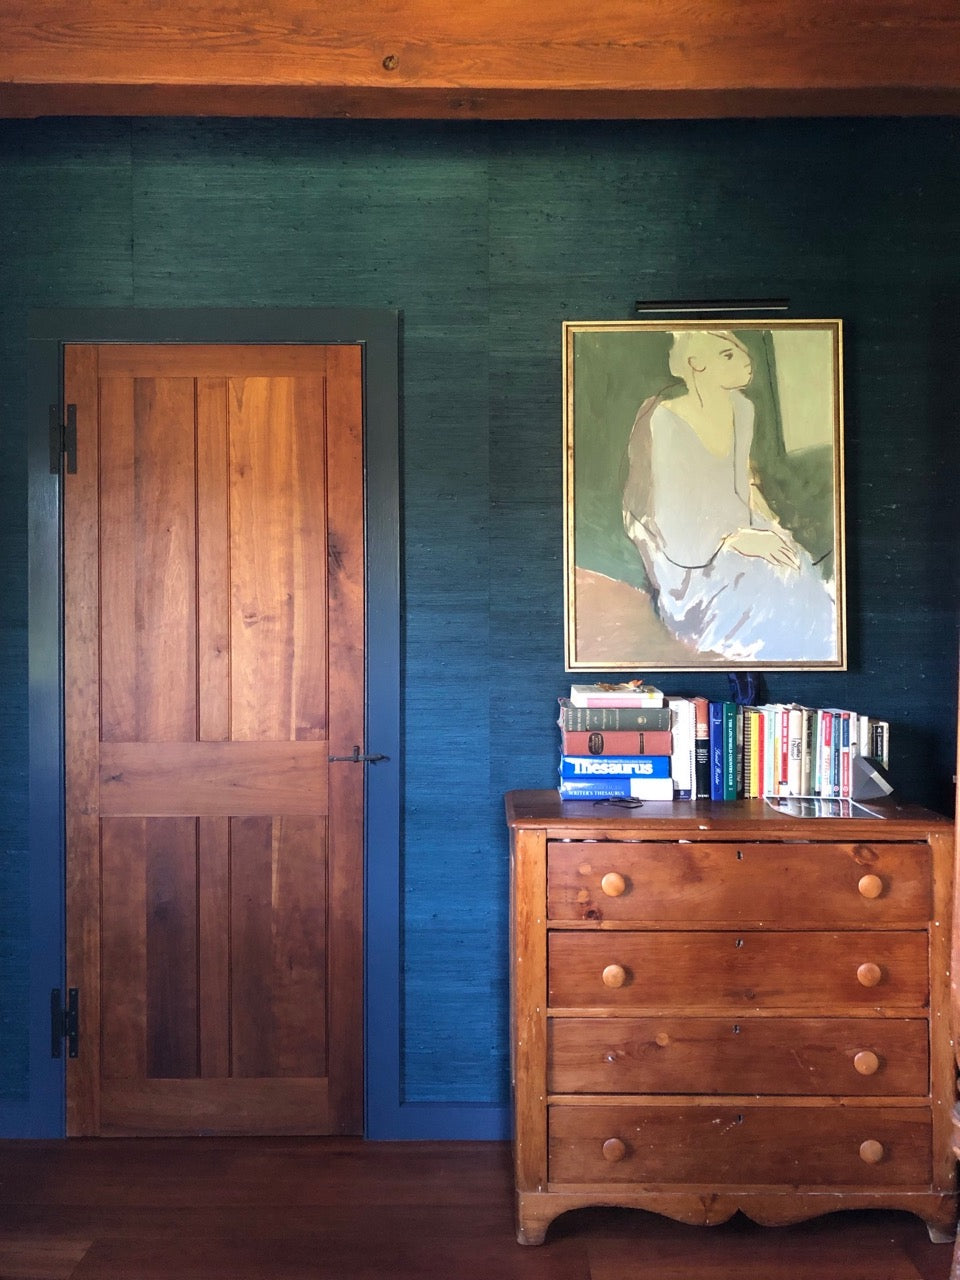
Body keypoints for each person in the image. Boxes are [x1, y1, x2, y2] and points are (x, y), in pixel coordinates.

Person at [621, 329, 837, 662]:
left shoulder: (742, 408)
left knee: (797, 572)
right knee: (769, 602)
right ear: (696, 363)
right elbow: (673, 515)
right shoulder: (666, 420)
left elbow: (743, 483)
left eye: (740, 352)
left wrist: (772, 527)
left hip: (741, 524)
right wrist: (733, 540)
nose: (746, 361)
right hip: (692, 552)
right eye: (728, 354)